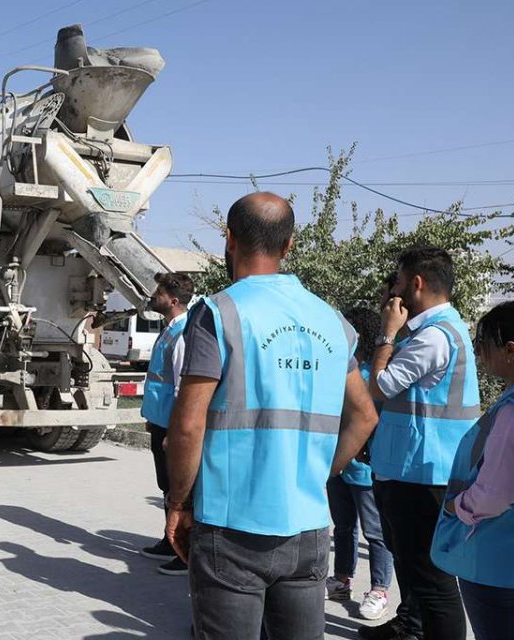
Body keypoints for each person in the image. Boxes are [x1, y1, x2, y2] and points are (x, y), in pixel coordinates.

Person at [163, 192, 379, 640]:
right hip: (310, 528)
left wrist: (179, 503)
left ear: (229, 239)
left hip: (232, 526)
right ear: (289, 246)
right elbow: (364, 417)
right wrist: (320, 472)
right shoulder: (332, 321)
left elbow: (187, 425)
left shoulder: (219, 313)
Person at [364, 246, 479, 640]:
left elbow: (380, 386)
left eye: (397, 282)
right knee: (421, 574)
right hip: (418, 469)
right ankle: (413, 628)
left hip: (423, 474)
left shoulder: (434, 337)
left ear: (416, 283)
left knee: (433, 583)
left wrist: (386, 332)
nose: (392, 292)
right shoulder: (441, 330)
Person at [432, 300, 514, 640]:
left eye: (484, 345)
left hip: (492, 552)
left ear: (511, 350)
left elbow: (496, 494)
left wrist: (457, 505)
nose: (480, 353)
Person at [326, 306, 395, 620]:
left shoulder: (371, 376)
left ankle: (379, 589)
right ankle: (342, 579)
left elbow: (374, 421)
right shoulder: (338, 367)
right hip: (336, 462)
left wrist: (363, 451)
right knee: (343, 527)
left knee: (375, 532)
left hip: (365, 470)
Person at [137, 271, 195, 577]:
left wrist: (173, 432)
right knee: (166, 485)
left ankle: (185, 552)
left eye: (158, 293)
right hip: (159, 422)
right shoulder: (169, 329)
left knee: (179, 489)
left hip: (170, 428)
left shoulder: (182, 334)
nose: (153, 296)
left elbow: (180, 389)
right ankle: (168, 539)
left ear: (172, 300)